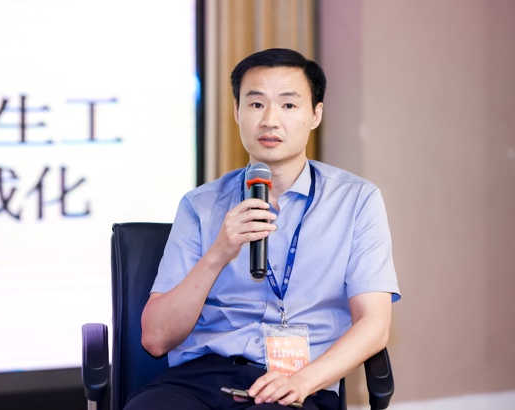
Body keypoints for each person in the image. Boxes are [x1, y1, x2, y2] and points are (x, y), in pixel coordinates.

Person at [125, 48, 401, 410]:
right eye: (256, 104)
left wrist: (301, 381)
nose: (270, 120)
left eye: (288, 105)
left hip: (298, 383)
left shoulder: (356, 201)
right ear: (237, 111)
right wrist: (218, 253)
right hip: (201, 379)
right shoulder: (200, 205)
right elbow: (156, 339)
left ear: (315, 114)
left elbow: (375, 325)